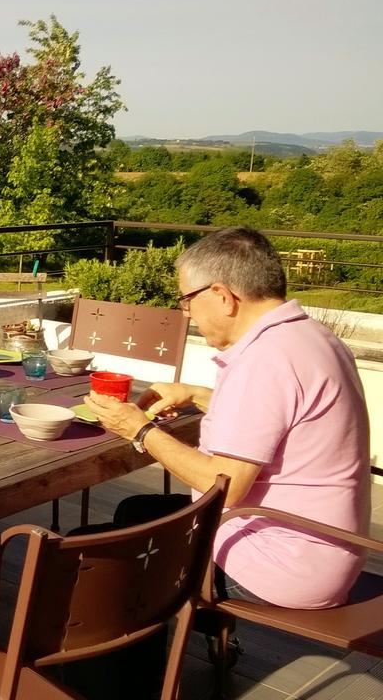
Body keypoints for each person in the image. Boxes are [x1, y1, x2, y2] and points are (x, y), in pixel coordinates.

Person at [84, 226, 370, 610]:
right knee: (135, 513)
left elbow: (225, 485)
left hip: (279, 564)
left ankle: (128, 652)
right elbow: (283, 413)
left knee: (104, 560)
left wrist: (140, 429)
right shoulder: (312, 337)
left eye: (187, 300)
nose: (186, 313)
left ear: (222, 296)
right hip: (325, 550)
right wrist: (200, 395)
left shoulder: (264, 360)